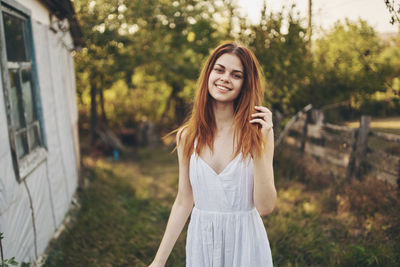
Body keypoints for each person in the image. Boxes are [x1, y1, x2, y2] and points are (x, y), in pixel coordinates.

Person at [149, 41, 277, 267]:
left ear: (245, 84)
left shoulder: (259, 133)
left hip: (246, 246)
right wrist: (158, 263)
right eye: (219, 69)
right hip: (203, 244)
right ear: (209, 73)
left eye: (236, 74)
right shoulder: (187, 136)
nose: (225, 78)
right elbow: (183, 200)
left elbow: (265, 207)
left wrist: (258, 145)